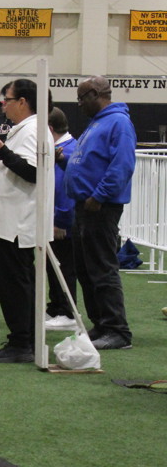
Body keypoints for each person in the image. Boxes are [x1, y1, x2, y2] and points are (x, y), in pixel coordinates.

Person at [0, 79, 54, 363]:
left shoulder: (32, 130)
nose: (3, 105)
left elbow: (33, 172)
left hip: (16, 222)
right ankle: (25, 339)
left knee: (15, 284)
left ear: (23, 101)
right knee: (20, 282)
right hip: (13, 221)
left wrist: (2, 153)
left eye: (7, 100)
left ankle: (21, 341)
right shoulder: (29, 129)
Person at [63, 76, 136, 350]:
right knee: (86, 269)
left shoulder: (118, 123)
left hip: (100, 207)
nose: (79, 104)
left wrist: (100, 196)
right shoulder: (98, 123)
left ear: (95, 94)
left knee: (102, 268)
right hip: (85, 206)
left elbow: (122, 165)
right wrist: (64, 160)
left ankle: (117, 330)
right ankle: (101, 323)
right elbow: (91, 162)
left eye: (81, 98)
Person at [44, 107, 77, 331]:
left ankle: (67, 312)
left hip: (62, 221)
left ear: (49, 128)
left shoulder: (68, 150)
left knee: (63, 267)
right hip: (55, 217)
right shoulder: (64, 148)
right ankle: (56, 306)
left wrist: (61, 221)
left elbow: (64, 189)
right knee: (52, 265)